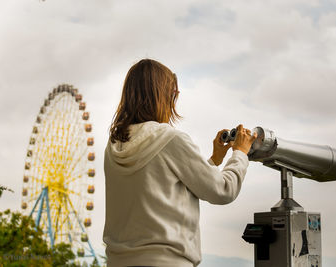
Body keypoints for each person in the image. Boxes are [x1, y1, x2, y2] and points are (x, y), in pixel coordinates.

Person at [103, 59, 257, 267]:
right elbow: (223, 190)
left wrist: (214, 160)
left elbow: (163, 187)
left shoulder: (113, 147)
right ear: (164, 96)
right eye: (174, 94)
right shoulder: (170, 139)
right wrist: (240, 153)